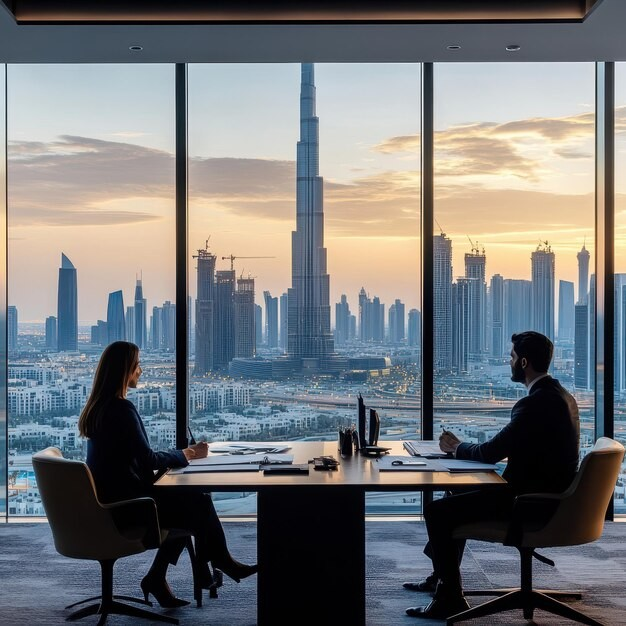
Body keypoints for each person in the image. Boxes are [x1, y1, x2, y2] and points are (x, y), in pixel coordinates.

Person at [405, 331, 580, 619]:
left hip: (529, 503)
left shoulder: (535, 403)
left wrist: (457, 446)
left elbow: (491, 451)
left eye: (511, 358)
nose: (508, 362)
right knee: (454, 493)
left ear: (523, 362)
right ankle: (441, 578)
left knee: (437, 511)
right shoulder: (561, 395)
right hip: (550, 497)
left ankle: (450, 598)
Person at [78, 341, 257, 608]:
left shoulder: (99, 409)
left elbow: (134, 456)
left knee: (188, 502)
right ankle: (216, 563)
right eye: (137, 365)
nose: (141, 370)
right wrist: (188, 454)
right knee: (197, 502)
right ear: (124, 370)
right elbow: (147, 458)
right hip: (127, 508)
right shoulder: (121, 409)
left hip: (110, 502)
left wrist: (179, 454)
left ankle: (165, 577)